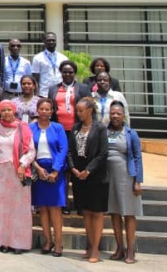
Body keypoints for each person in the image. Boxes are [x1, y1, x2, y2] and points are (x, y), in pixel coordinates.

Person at [0, 99, 35, 253]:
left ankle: (18, 243)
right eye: (3, 110)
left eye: (9, 109)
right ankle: (2, 242)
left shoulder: (23, 127)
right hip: (0, 172)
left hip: (18, 172)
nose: (6, 113)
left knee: (18, 209)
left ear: (14, 110)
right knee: (0, 208)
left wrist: (23, 164)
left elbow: (31, 150)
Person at [69, 97, 110, 263]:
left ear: (90, 111)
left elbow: (103, 153)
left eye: (81, 110)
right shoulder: (75, 128)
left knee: (96, 212)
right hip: (79, 176)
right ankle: (90, 244)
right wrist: (73, 168)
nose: (78, 114)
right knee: (85, 211)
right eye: (77, 110)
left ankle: (95, 248)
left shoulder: (100, 128)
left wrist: (88, 170)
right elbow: (70, 151)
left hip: (96, 176)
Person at [29, 97, 68, 257]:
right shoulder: (31, 128)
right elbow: (28, 149)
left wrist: (56, 171)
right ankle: (48, 240)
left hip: (55, 170)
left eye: (47, 109)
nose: (44, 112)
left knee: (55, 208)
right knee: (43, 208)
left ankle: (59, 243)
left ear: (52, 112)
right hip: (39, 169)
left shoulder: (58, 128)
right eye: (41, 109)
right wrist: (37, 168)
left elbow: (63, 149)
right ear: (37, 111)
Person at [106, 101, 143, 264]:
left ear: (123, 115)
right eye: (112, 113)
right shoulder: (104, 131)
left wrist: (138, 181)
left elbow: (137, 157)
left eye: (118, 113)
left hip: (127, 177)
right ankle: (119, 247)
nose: (115, 116)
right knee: (114, 212)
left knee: (128, 213)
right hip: (109, 178)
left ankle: (130, 250)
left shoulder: (130, 133)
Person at [50, 60, 91, 133]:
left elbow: (90, 108)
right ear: (61, 73)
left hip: (78, 128)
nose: (67, 74)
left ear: (75, 73)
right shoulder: (53, 89)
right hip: (58, 129)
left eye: (70, 72)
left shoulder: (83, 88)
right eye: (64, 72)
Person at [32, 32, 69, 97]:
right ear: (44, 42)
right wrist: (36, 95)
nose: (51, 42)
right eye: (49, 40)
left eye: (53, 40)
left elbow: (67, 76)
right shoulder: (37, 58)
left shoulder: (63, 58)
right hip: (44, 93)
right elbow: (35, 79)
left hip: (60, 92)